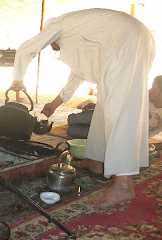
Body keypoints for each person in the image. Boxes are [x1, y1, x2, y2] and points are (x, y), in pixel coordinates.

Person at [9, 8, 156, 209]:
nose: (52, 47)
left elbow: (27, 47)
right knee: (105, 108)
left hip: (126, 39)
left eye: (50, 42)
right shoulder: (80, 35)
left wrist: (18, 78)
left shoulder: (58, 25)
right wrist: (54, 104)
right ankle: (95, 160)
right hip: (133, 39)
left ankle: (123, 185)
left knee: (120, 111)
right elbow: (77, 76)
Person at [67, 75, 162, 140]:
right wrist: (98, 106)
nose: (149, 91)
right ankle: (91, 116)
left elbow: (148, 135)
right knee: (72, 119)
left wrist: (141, 143)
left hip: (115, 134)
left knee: (71, 131)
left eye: (153, 89)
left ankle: (92, 127)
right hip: (109, 116)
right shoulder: (143, 97)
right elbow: (119, 104)